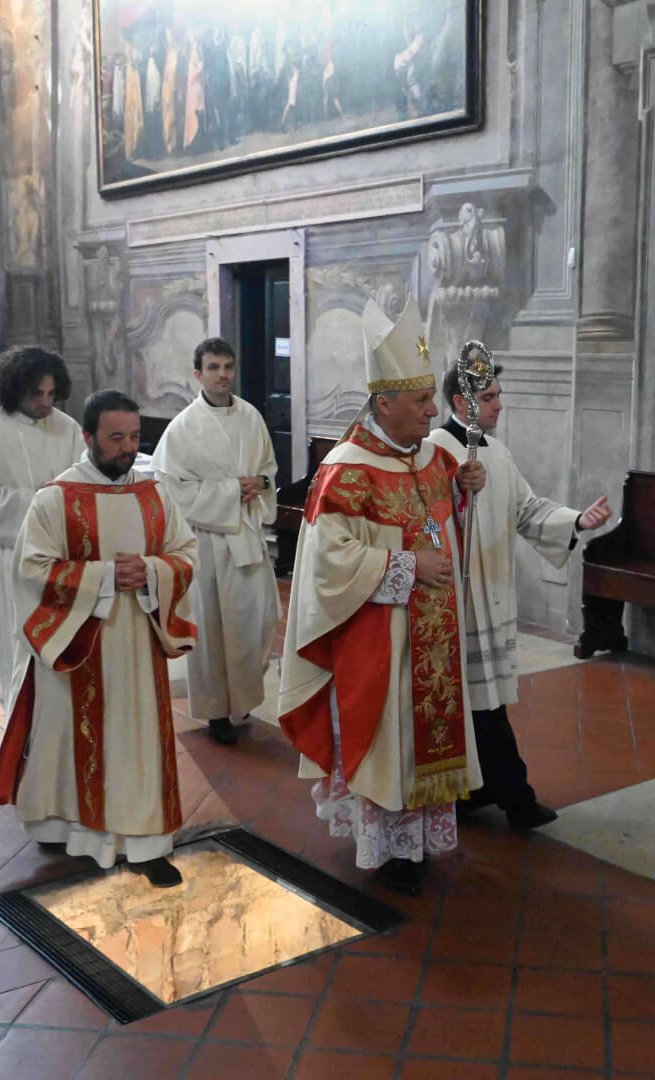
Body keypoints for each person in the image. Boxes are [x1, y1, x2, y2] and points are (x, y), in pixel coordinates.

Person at [273, 294, 487, 896]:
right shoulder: (346, 469)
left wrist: (465, 490)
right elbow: (327, 561)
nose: (433, 411)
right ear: (384, 403)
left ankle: (420, 840)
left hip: (433, 636)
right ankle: (392, 850)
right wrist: (407, 567)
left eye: (431, 399)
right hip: (380, 637)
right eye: (421, 401)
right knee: (391, 739)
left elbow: (439, 524)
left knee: (423, 737)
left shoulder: (434, 457)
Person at [0, 390, 199, 887]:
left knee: (136, 741)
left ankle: (145, 845)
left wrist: (153, 571)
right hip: (78, 644)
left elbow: (186, 552)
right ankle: (64, 830)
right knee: (68, 740)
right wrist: (104, 578)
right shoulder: (56, 498)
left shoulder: (154, 494)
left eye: (135, 437)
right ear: (88, 437)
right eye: (115, 437)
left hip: (138, 642)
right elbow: (31, 569)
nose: (128, 448)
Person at [427, 360, 611, 829]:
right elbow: (427, 520)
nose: (499, 405)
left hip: (493, 595)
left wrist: (576, 520)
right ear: (461, 402)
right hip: (456, 600)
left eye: (497, 395)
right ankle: (516, 799)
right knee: (481, 705)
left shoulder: (498, 452)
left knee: (483, 702)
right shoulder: (434, 451)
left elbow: (526, 509)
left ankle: (473, 789)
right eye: (488, 398)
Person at [151, 338, 281, 746]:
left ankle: (241, 698)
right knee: (212, 631)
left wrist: (260, 483)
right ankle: (216, 712)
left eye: (227, 367)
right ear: (198, 374)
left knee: (256, 622)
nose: (222, 375)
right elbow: (171, 488)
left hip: (246, 536)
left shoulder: (251, 416)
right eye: (213, 368)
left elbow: (268, 468)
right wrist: (229, 492)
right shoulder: (183, 428)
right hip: (208, 542)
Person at [0, 346, 85, 703]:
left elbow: (84, 485)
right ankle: (19, 718)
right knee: (17, 641)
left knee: (63, 640)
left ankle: (61, 719)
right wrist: (39, 501)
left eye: (52, 393)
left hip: (62, 555)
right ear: (14, 388)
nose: (46, 402)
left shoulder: (67, 428)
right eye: (37, 393)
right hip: (12, 556)